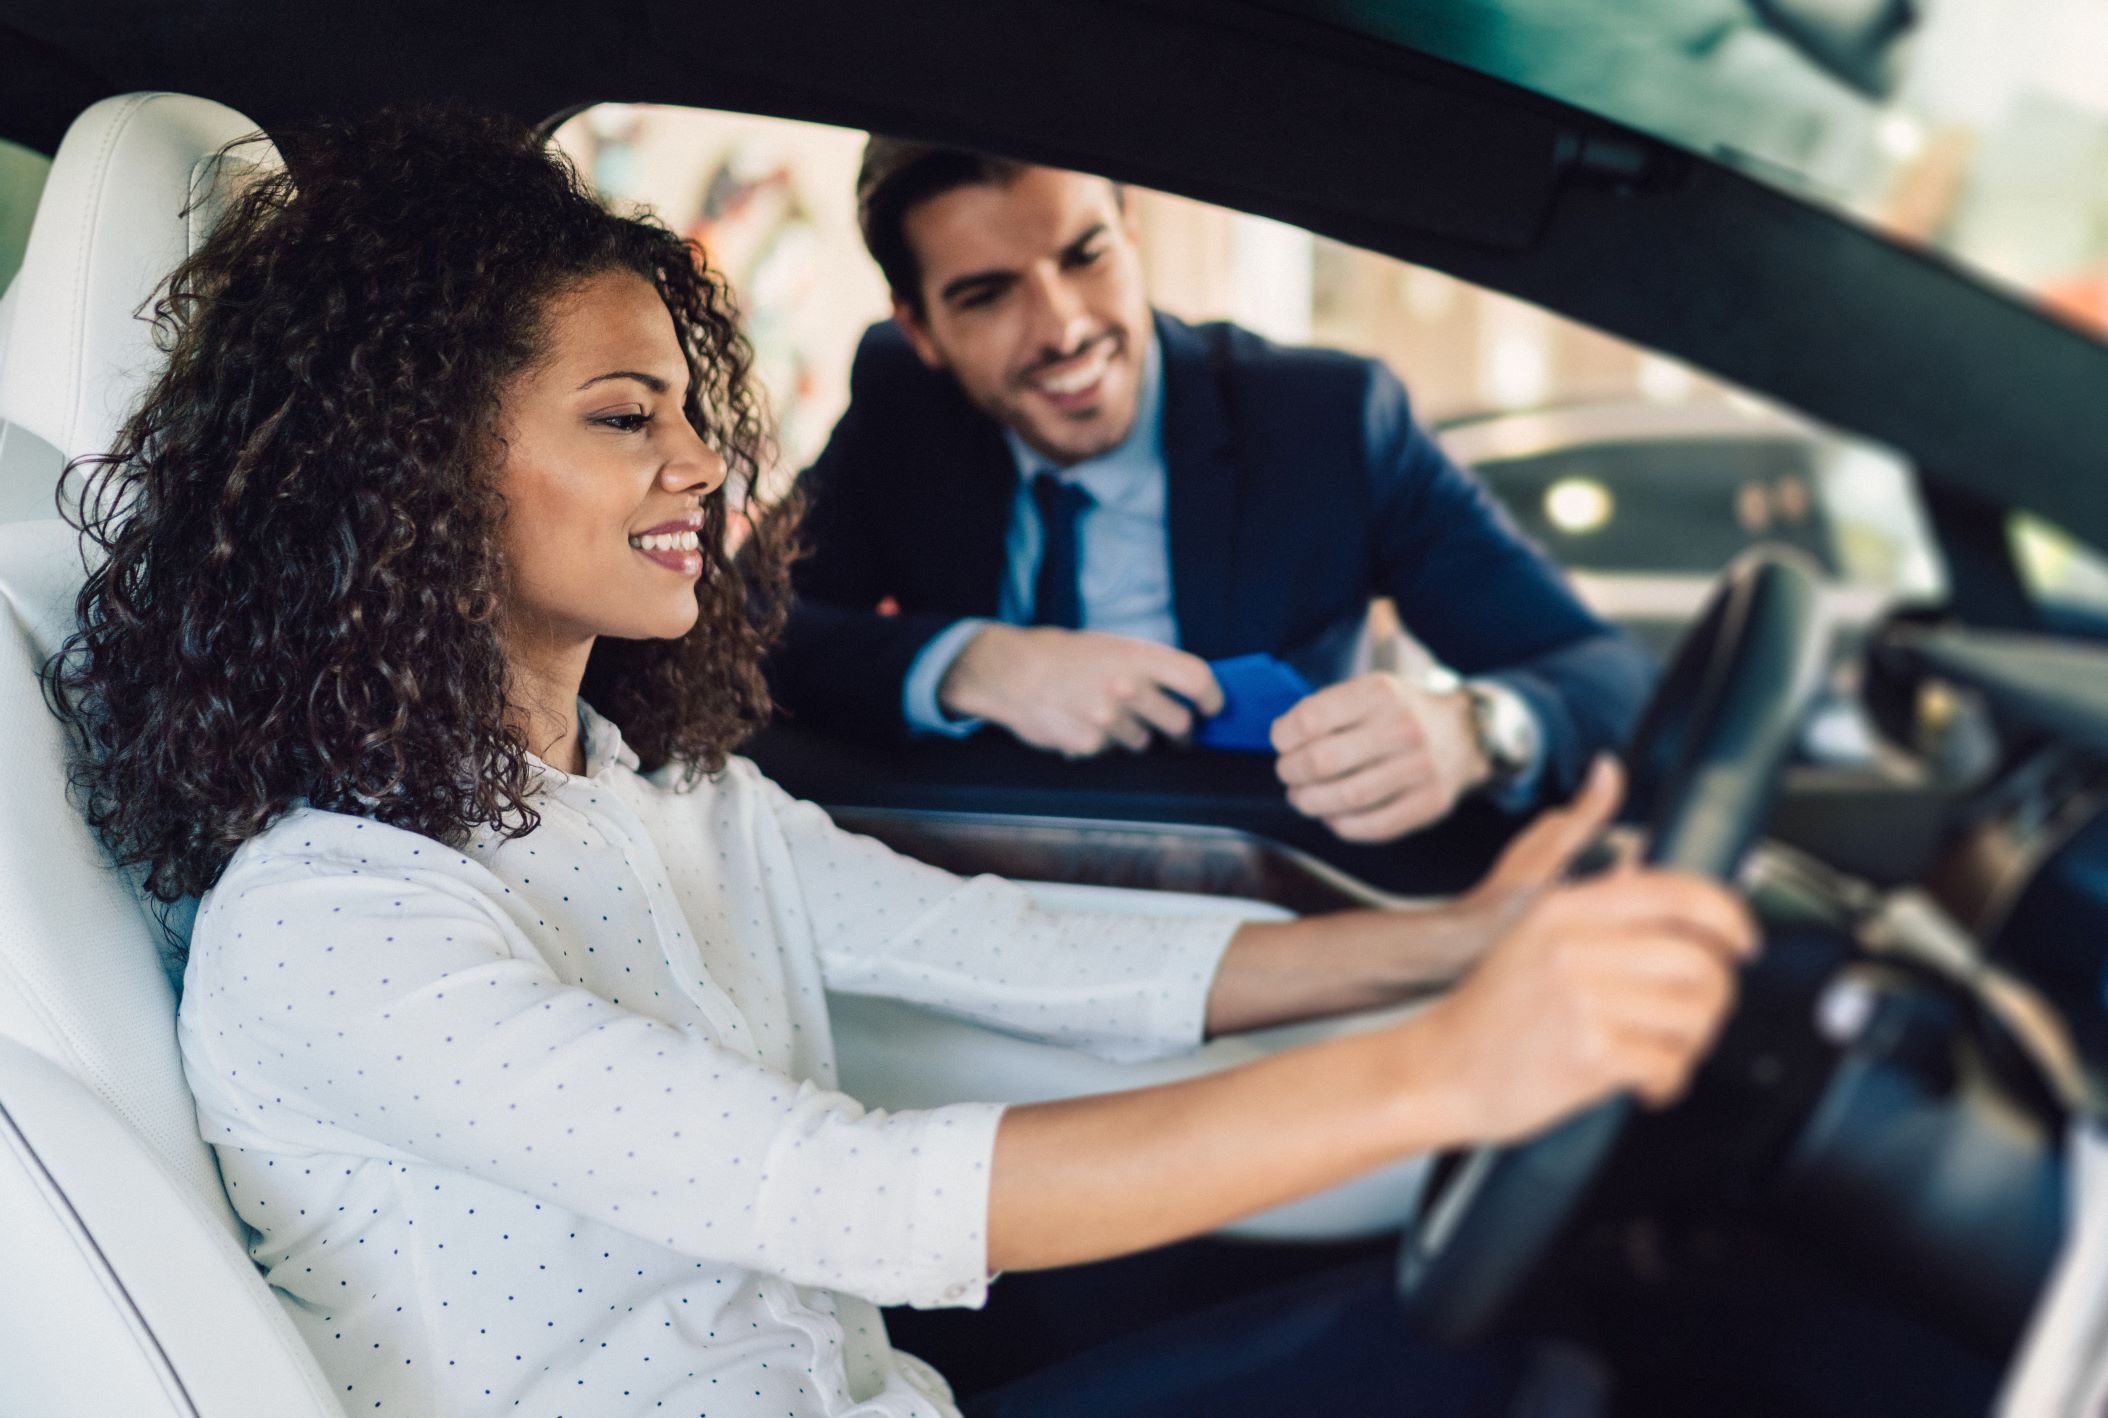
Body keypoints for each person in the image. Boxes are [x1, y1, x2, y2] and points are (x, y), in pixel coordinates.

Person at [48, 109, 1753, 1418]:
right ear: (409, 480)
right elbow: (840, 1189)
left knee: (1516, 1346)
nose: (707, 466)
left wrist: (1443, 944)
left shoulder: (655, 795)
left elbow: (992, 940)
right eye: (626, 418)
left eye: (688, 411)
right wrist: (1443, 1069)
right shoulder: (336, 921)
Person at [765, 141, 1657, 844]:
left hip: (1271, 888)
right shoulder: (902, 406)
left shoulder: (1329, 423)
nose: (1065, 327)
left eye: (1086, 255)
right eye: (989, 296)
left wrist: (1475, 730)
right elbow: (745, 630)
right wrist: (969, 665)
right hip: (969, 885)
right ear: (919, 328)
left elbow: (1604, 679)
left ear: (1134, 235)